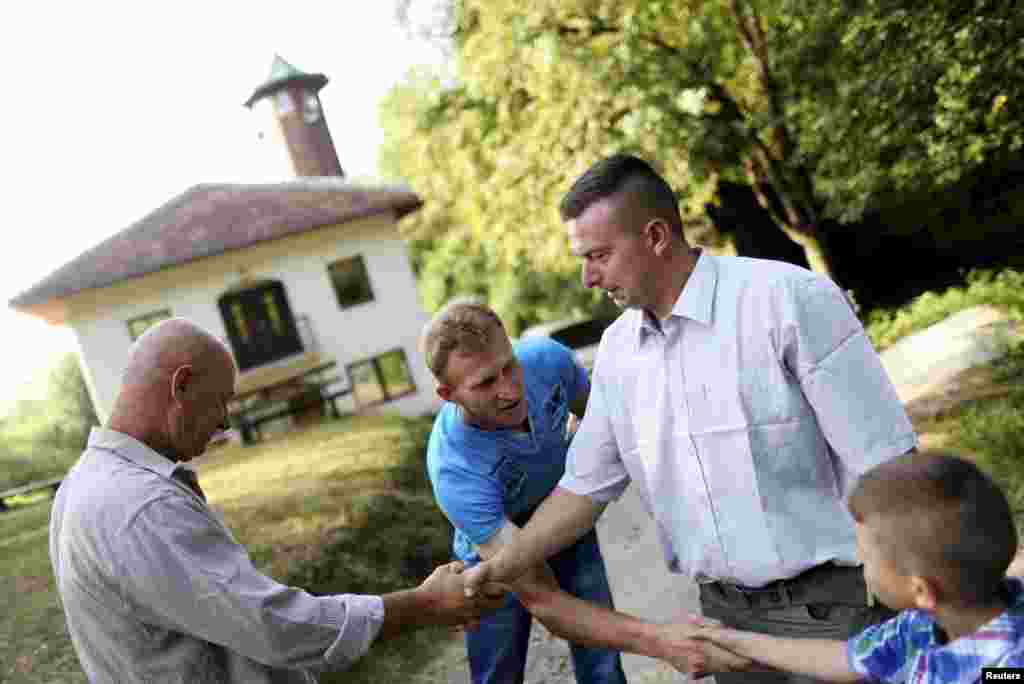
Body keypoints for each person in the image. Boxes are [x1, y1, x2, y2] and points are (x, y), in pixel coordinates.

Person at [464, 154, 918, 683]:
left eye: (599, 256)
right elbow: (581, 493)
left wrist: (947, 598)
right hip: (722, 626)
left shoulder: (788, 301)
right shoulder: (616, 353)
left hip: (835, 612)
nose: (588, 277)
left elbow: (891, 469)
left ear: (656, 236)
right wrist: (496, 570)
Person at [48, 317, 506, 684]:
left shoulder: (82, 486)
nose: (225, 422)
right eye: (221, 402)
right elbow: (273, 627)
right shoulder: (141, 506)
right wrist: (425, 605)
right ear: (182, 386)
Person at [421, 297, 749, 683]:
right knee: (497, 671)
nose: (510, 389)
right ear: (448, 394)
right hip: (492, 544)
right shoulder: (453, 467)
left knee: (602, 661)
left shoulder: (547, 360)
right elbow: (544, 600)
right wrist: (661, 642)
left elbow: (607, 429)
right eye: (486, 383)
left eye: (509, 367)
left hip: (563, 517)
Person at [687, 450, 1024, 682]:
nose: (862, 565)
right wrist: (733, 640)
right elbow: (845, 659)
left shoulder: (1007, 666)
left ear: (920, 590)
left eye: (868, 559)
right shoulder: (920, 627)